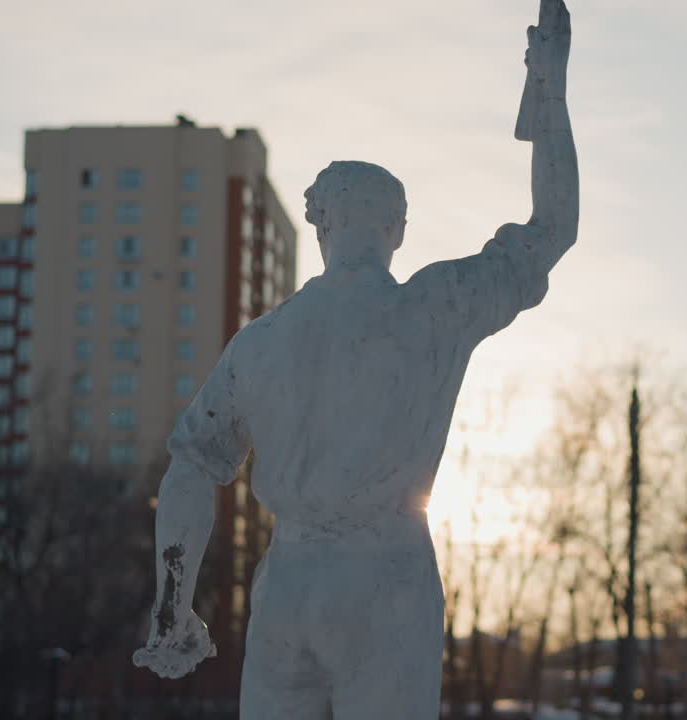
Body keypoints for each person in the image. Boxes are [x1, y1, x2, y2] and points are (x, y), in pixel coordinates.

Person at [133, 2, 576, 717]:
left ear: (320, 223)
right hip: (387, 578)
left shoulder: (261, 342)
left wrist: (172, 602)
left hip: (289, 587)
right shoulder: (437, 305)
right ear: (398, 228)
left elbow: (191, 467)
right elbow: (553, 227)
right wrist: (548, 92)